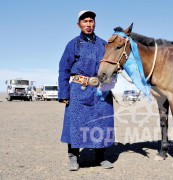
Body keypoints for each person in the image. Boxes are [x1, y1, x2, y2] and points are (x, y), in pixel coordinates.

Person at [58, 10, 115, 171]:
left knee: (101, 122)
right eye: (85, 21)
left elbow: (112, 65)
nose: (88, 24)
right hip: (78, 89)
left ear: (94, 23)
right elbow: (63, 69)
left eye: (91, 21)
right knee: (75, 123)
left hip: (100, 90)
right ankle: (73, 157)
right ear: (79, 25)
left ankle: (101, 157)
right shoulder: (73, 44)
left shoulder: (104, 44)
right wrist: (63, 93)